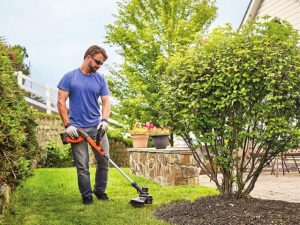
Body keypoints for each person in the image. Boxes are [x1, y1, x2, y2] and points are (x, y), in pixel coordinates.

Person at [57, 45, 111, 205]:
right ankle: (87, 196)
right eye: (97, 62)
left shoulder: (100, 79)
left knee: (104, 161)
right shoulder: (70, 77)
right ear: (88, 57)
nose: (99, 66)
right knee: (82, 166)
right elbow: (61, 102)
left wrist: (105, 120)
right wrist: (67, 125)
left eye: (101, 64)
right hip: (77, 130)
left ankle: (99, 191)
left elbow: (106, 101)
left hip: (96, 128)